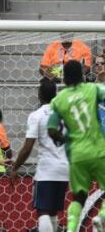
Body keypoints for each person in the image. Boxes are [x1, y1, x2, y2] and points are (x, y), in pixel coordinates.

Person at [47, 60, 105, 232]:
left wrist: (65, 140)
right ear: (82, 75)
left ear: (64, 79)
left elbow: (51, 130)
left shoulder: (58, 100)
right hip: (99, 149)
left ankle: (71, 229)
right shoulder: (92, 90)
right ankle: (101, 217)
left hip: (77, 154)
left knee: (78, 196)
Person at [10, 79, 68, 232]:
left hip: (47, 170)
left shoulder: (37, 115)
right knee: (54, 212)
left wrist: (15, 167)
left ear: (39, 94)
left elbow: (27, 148)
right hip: (64, 169)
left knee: (42, 212)